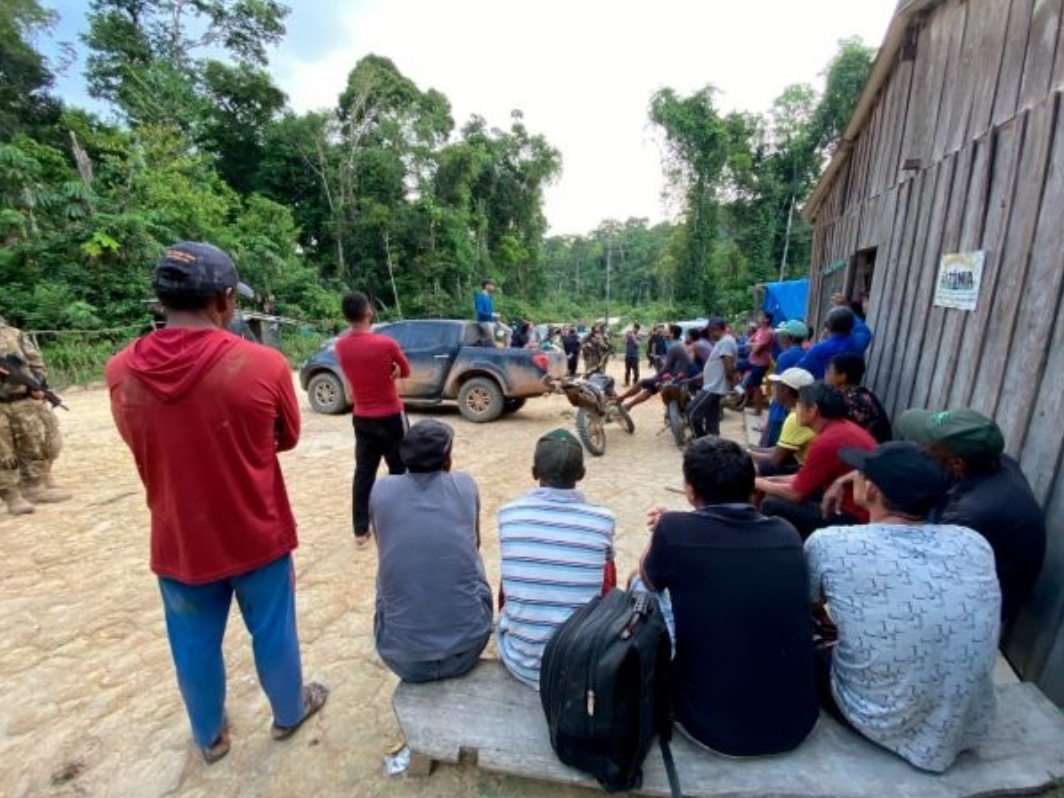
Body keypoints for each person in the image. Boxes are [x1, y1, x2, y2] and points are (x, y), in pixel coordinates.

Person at [107, 241, 327, 764]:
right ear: (226, 301)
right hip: (257, 530)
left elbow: (142, 441)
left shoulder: (120, 371)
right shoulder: (263, 364)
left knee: (192, 644)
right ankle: (289, 713)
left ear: (161, 301)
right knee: (273, 631)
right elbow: (288, 437)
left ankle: (209, 736)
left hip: (179, 538)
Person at [806, 441, 1000, 773]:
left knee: (805, 642)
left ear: (870, 489)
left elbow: (808, 605)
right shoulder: (974, 543)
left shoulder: (830, 543)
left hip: (880, 721)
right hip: (969, 725)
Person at [638, 437, 818, 756]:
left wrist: (661, 534)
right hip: (796, 724)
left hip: (710, 726)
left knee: (639, 589)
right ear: (752, 489)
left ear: (690, 491)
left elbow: (650, 579)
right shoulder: (786, 533)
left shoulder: (673, 529)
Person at [895, 408, 1046, 624]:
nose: (922, 448)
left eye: (928, 445)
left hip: (981, 608)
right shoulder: (997, 463)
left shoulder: (968, 514)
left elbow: (928, 575)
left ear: (956, 463)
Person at [370, 420, 493, 682]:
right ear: (447, 460)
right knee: (471, 554)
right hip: (467, 650)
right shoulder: (465, 485)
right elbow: (476, 543)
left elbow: (383, 544)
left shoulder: (381, 490)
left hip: (402, 660)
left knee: (390, 567)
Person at [497, 429, 615, 689]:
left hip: (521, 661)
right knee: (604, 565)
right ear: (581, 475)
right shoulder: (603, 519)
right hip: (578, 666)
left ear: (534, 473)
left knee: (517, 571)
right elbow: (608, 578)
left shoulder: (508, 515)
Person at [334, 291, 412, 548]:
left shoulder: (341, 345)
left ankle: (360, 531)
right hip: (390, 415)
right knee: (400, 470)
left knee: (364, 473)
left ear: (346, 316)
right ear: (369, 311)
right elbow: (406, 370)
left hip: (362, 416)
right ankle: (400, 523)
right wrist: (396, 368)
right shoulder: (386, 344)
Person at [756, 382, 875, 538]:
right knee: (768, 483)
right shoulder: (842, 428)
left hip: (853, 516)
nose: (795, 410)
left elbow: (795, 494)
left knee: (771, 504)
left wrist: (756, 482)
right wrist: (770, 480)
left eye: (799, 405)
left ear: (812, 410)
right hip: (845, 500)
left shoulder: (828, 440)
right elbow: (805, 478)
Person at [0, 318, 70, 514]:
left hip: (22, 399)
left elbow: (35, 361)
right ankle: (11, 496)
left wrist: (38, 385)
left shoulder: (13, 333)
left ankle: (35, 488)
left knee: (32, 444)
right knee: (3, 453)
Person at [748, 368, 815, 476]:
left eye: (777, 385)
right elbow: (781, 449)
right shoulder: (799, 411)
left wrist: (746, 454)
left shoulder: (795, 418)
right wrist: (752, 451)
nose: (773, 388)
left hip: (804, 470)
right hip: (801, 463)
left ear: (786, 390)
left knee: (758, 469)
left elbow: (775, 460)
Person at [617, 324, 690, 411]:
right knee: (650, 389)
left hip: (673, 376)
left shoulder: (673, 347)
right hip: (680, 375)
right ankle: (628, 405)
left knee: (642, 382)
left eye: (666, 330)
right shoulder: (681, 344)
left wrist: (658, 375)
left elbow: (667, 367)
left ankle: (621, 398)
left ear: (671, 334)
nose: (663, 331)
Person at [824, 352, 892, 443]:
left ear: (842, 376)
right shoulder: (863, 394)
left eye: (829, 371)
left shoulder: (851, 401)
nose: (826, 374)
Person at [760, 320, 809, 447]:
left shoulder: (785, 356)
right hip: (797, 403)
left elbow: (779, 384)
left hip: (781, 406)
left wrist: (773, 404)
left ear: (790, 337)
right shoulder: (806, 354)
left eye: (783, 335)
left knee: (770, 442)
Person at [687, 317, 737, 439]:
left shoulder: (726, 342)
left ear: (716, 329)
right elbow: (715, 365)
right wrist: (695, 378)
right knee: (712, 419)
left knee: (692, 413)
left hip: (713, 387)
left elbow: (728, 366)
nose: (709, 334)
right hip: (712, 385)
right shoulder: (722, 341)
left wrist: (733, 383)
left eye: (710, 331)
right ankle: (712, 441)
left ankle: (700, 440)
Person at [797, 306, 860, 379]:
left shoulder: (819, 349)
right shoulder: (856, 345)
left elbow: (799, 369)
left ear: (828, 326)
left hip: (822, 387)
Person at [742, 313, 775, 415]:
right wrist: (754, 345)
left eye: (760, 317)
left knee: (756, 386)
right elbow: (748, 342)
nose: (758, 318)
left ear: (766, 319)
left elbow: (756, 349)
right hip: (752, 360)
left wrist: (753, 345)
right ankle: (741, 399)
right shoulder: (760, 330)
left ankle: (758, 410)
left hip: (760, 363)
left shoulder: (769, 332)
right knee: (734, 368)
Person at [473, 279, 510, 345]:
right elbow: (480, 312)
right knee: (491, 337)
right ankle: (489, 346)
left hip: (492, 322)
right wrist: (492, 315)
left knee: (508, 331)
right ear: (487, 286)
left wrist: (496, 319)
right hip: (484, 322)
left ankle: (506, 349)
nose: (493, 287)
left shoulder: (489, 297)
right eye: (492, 285)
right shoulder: (480, 296)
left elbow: (491, 312)